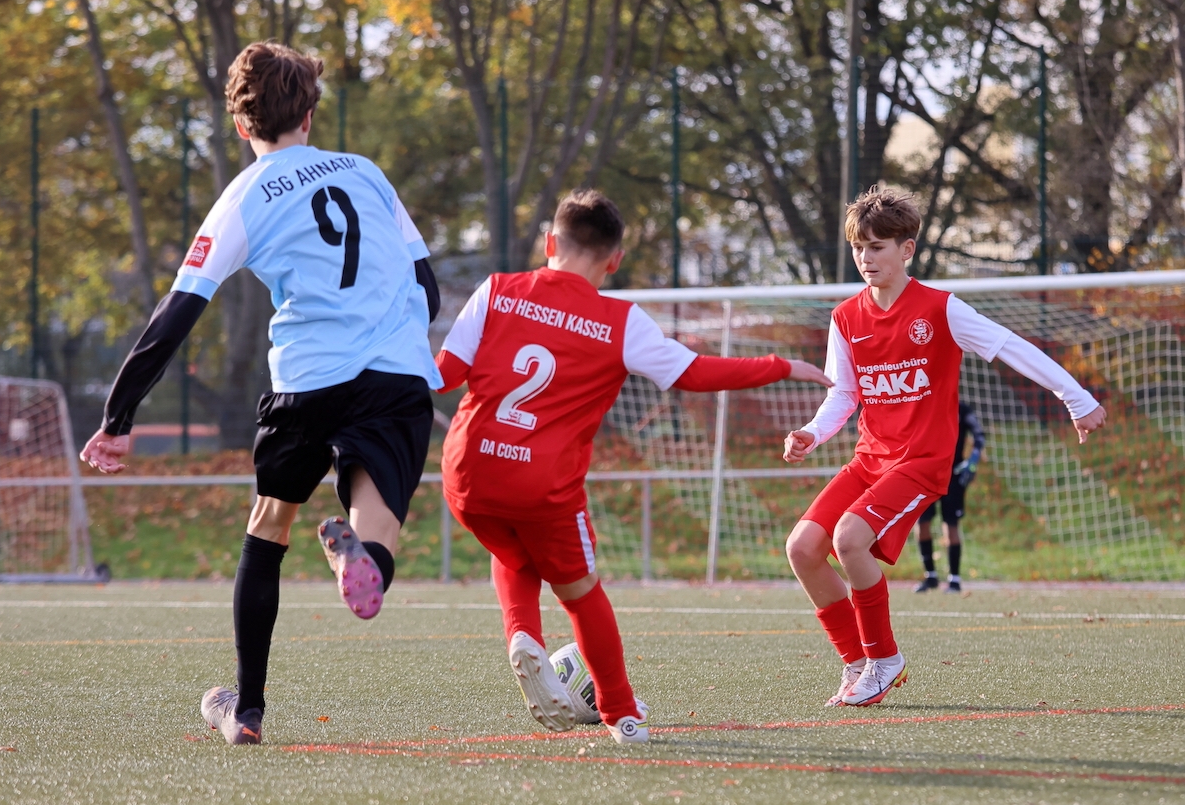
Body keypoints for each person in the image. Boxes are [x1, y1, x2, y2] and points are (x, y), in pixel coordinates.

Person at [78, 42, 442, 745]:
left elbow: (180, 309)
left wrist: (118, 414)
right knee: (377, 526)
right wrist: (397, 341)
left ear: (242, 126)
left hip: (308, 379)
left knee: (268, 529)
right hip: (395, 376)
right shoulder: (367, 173)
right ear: (310, 115)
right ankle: (358, 558)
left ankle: (245, 712)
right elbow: (425, 284)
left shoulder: (245, 197)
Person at [436, 189, 833, 743]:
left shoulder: (497, 289)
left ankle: (523, 633)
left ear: (549, 242)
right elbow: (694, 373)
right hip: (542, 484)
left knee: (512, 548)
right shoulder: (620, 321)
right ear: (615, 261)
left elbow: (444, 375)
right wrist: (780, 365)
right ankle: (622, 714)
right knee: (582, 593)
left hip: (468, 470)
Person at [782, 187, 1107, 708]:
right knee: (801, 549)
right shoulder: (845, 317)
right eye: (858, 248)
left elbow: (1010, 346)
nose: (866, 258)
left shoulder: (940, 309)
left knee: (848, 539)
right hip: (870, 459)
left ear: (906, 249)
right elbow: (844, 394)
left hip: (922, 462)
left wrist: (1077, 397)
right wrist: (811, 432)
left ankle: (884, 659)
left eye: (877, 247)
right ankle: (856, 663)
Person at [914, 401, 985, 593]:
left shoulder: (962, 410)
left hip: (953, 476)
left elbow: (979, 435)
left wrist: (973, 460)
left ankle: (954, 580)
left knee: (951, 525)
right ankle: (931, 577)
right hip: (926, 474)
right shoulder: (925, 405)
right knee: (922, 524)